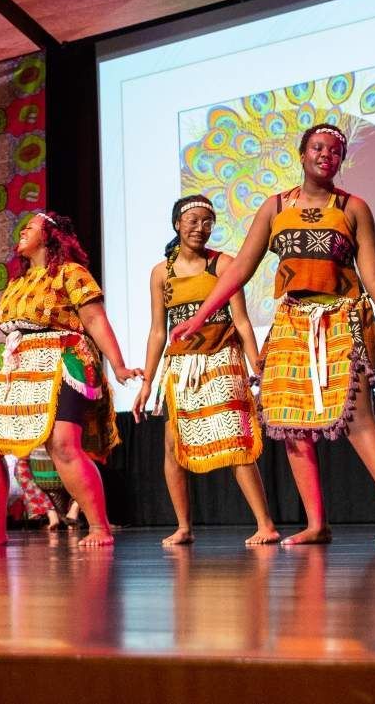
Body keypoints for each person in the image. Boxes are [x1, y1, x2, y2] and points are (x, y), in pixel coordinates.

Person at [173, 123, 375, 545]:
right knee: (291, 426)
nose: (325, 155)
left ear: (341, 160)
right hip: (292, 321)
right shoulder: (275, 207)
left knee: (359, 418)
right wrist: (200, 317)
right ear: (302, 153)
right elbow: (240, 269)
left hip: (341, 317)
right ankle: (316, 524)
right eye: (317, 147)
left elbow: (374, 273)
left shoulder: (352, 207)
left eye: (334, 150)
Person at [0, 211, 140, 548]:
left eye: (30, 228)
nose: (22, 232)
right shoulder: (17, 282)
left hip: (63, 358)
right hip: (21, 365)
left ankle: (99, 527)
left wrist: (118, 366)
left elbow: (94, 319)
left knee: (62, 443)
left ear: (49, 236)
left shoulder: (71, 273)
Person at [135, 194, 278, 546]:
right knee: (173, 446)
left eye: (207, 222)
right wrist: (147, 382)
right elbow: (158, 331)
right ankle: (184, 526)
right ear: (177, 225)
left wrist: (256, 365)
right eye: (193, 221)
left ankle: (265, 524)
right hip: (180, 366)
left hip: (221, 358)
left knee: (236, 441)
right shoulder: (161, 273)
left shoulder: (223, 264)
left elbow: (241, 321)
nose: (200, 228)